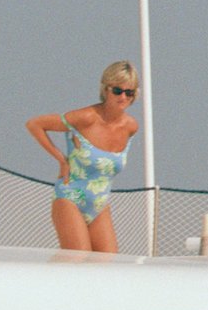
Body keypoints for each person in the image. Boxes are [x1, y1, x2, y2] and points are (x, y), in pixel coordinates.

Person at [25, 60, 140, 252]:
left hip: (99, 204)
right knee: (77, 260)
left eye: (129, 92)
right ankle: (41, 279)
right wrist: (61, 159)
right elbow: (35, 124)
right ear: (106, 89)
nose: (123, 97)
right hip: (69, 198)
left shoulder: (131, 127)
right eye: (117, 90)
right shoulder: (86, 118)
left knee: (108, 264)